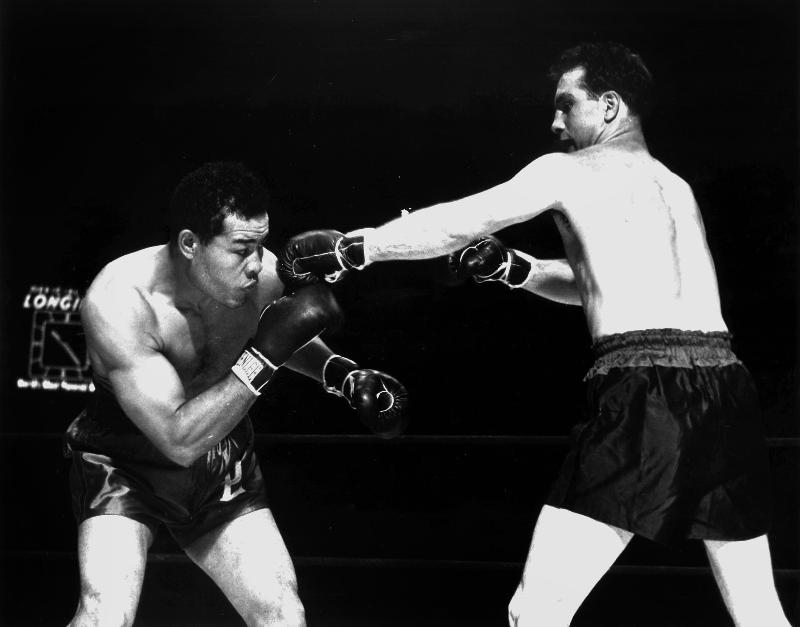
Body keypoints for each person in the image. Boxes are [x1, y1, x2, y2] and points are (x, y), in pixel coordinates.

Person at [275, 43, 791, 626]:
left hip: (647, 392)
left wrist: (354, 248)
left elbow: (457, 221)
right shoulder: (675, 188)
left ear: (610, 106)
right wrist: (515, 270)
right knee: (758, 613)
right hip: (725, 390)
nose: (554, 123)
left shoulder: (566, 171)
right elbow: (599, 282)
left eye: (566, 106)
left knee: (536, 611)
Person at [63, 161, 408, 627]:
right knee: (106, 615)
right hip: (125, 464)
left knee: (282, 613)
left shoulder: (260, 275)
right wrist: (262, 360)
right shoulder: (121, 301)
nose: (257, 264)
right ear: (190, 244)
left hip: (222, 455)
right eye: (241, 248)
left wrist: (341, 373)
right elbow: (177, 438)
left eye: (261, 245)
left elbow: (283, 335)